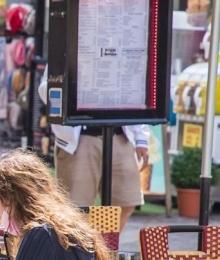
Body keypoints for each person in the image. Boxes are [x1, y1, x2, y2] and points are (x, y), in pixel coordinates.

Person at [38, 66, 150, 230]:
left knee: (127, 201)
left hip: (120, 134)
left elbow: (134, 91)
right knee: (75, 206)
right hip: (80, 137)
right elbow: (45, 90)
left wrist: (141, 138)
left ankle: (105, 246)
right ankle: (83, 249)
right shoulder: (69, 43)